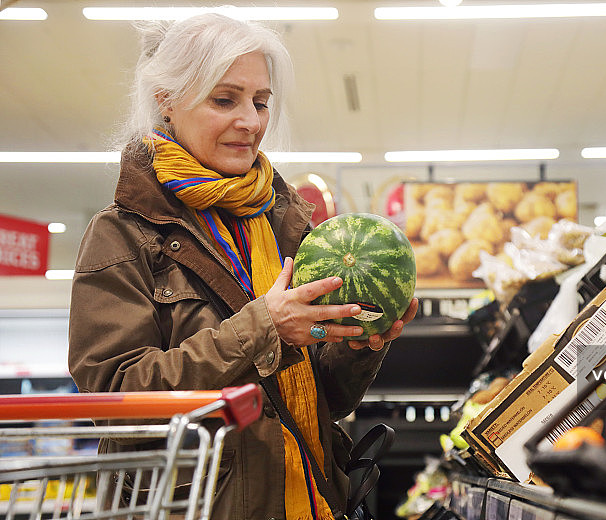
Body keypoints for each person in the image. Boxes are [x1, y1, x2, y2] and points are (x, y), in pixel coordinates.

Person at [67, 13, 418, 520]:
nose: (251, 121)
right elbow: (117, 399)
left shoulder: (287, 220)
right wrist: (262, 327)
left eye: (260, 102)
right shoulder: (124, 233)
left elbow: (326, 404)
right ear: (166, 100)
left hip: (310, 497)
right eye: (224, 100)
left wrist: (360, 346)